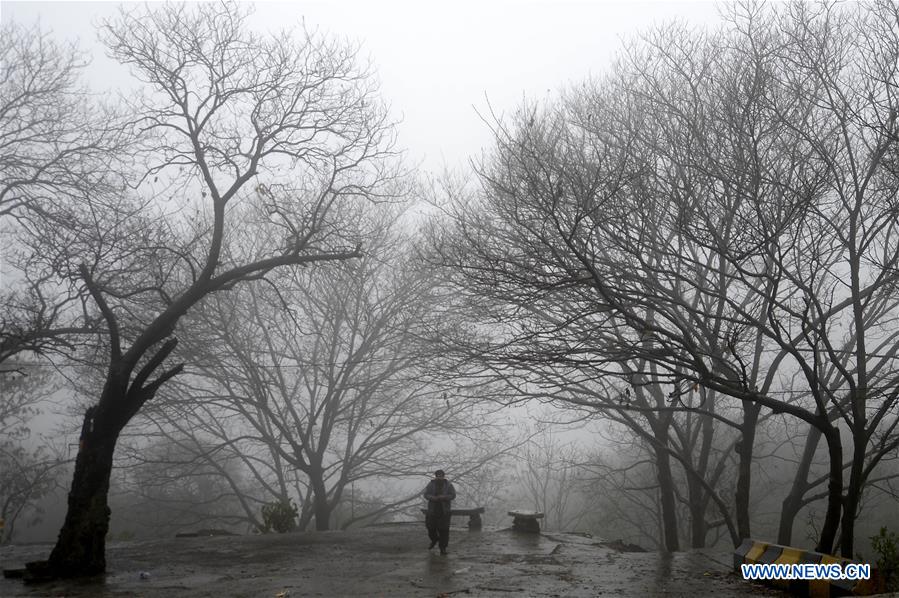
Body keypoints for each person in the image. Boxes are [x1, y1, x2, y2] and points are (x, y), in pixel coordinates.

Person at [422, 469, 456, 555]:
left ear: (443, 476)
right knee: (430, 528)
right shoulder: (431, 484)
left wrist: (444, 497)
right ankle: (434, 540)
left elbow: (453, 495)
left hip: (444, 511)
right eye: (438, 475)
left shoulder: (448, 485)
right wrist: (432, 498)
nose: (439, 477)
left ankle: (443, 548)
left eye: (441, 475)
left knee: (444, 530)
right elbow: (426, 494)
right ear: (436, 476)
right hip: (432, 510)